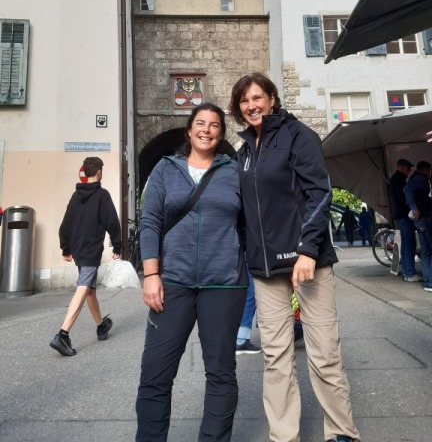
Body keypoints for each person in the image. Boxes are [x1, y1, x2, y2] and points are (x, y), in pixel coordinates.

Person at [229, 72, 359, 442]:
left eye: (257, 97)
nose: (251, 105)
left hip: (307, 262)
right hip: (265, 270)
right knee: (276, 357)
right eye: (244, 101)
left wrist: (307, 250)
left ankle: (341, 432)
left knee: (324, 352)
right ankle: (284, 435)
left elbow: (320, 193)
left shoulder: (298, 135)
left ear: (272, 98)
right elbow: (243, 211)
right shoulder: (244, 152)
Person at [135, 102, 248, 442]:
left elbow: (251, 223)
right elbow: (150, 222)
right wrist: (151, 275)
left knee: (221, 373)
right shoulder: (165, 169)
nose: (206, 130)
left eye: (214, 125)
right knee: (155, 373)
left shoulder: (234, 172)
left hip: (224, 284)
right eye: (200, 123)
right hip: (172, 282)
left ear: (221, 133)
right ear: (189, 129)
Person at [50, 156, 121, 356]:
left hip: (78, 249)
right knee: (83, 287)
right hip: (90, 249)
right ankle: (63, 334)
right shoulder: (102, 195)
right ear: (99, 172)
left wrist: (66, 248)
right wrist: (117, 246)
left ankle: (101, 326)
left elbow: (65, 225)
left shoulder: (75, 196)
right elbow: (112, 222)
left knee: (89, 289)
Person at [388, 158, 420, 282]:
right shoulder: (400, 180)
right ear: (401, 167)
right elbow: (403, 198)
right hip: (404, 214)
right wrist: (412, 207)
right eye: (408, 168)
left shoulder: (394, 179)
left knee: (406, 243)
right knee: (409, 243)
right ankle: (410, 273)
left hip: (399, 215)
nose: (410, 170)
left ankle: (407, 272)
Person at [404, 160, 432, 292]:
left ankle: (428, 282)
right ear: (425, 169)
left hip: (419, 219)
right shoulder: (420, 179)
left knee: (425, 252)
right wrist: (414, 207)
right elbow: (407, 189)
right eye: (429, 170)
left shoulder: (415, 178)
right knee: (429, 250)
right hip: (425, 217)